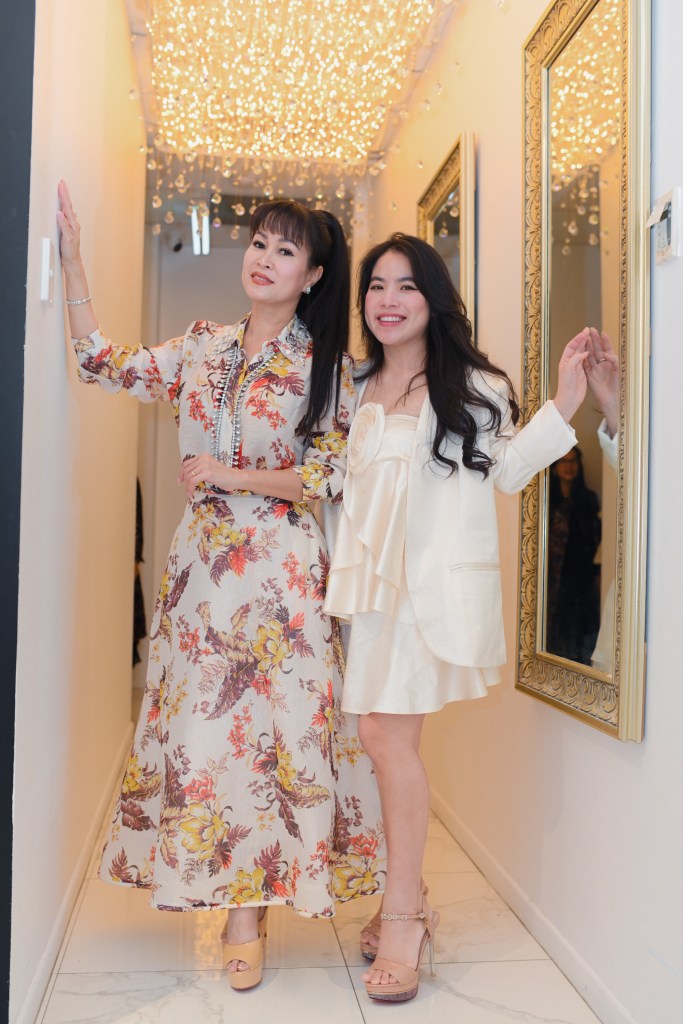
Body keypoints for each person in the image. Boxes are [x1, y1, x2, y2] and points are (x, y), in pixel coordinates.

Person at [56, 181, 385, 991]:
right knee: (209, 734)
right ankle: (227, 893)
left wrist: (233, 474)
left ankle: (252, 913)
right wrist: (71, 266)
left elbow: (327, 474)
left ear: (312, 274)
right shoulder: (201, 345)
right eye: (259, 243)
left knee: (280, 736)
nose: (263, 259)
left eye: (284, 250)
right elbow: (103, 363)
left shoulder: (328, 368)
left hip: (282, 571)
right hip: (203, 572)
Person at [324, 233, 592, 1003]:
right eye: (376, 286)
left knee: (384, 737)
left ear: (433, 298)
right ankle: (404, 896)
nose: (388, 300)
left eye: (406, 286)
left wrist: (562, 403)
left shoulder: (474, 386)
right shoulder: (352, 385)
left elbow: (506, 473)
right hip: (367, 594)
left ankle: (404, 918)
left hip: (427, 595)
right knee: (382, 742)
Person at [546, 446, 601, 663]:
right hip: (554, 577)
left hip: (583, 576)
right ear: (555, 467)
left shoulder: (588, 499)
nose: (569, 466)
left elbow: (595, 539)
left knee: (582, 631)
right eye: (563, 461)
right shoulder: (548, 500)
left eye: (573, 461)